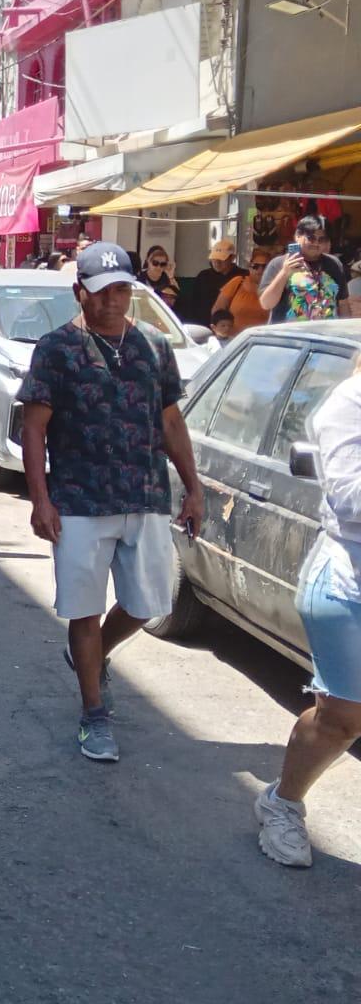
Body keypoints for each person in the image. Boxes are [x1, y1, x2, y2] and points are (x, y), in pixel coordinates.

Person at [17, 241, 203, 763]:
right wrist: (40, 499)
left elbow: (170, 421)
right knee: (83, 607)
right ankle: (93, 714)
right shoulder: (57, 349)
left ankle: (94, 655)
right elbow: (34, 428)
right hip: (78, 499)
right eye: (101, 292)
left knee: (148, 604)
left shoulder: (153, 346)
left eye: (121, 290)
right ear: (80, 292)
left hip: (145, 494)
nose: (112, 300)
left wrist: (193, 487)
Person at [255, 361, 361, 868]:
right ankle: (282, 803)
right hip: (348, 585)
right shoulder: (350, 402)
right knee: (343, 720)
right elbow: (350, 497)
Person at [259, 216, 352, 322]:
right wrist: (284, 273)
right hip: (288, 332)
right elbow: (266, 304)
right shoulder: (278, 264)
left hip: (325, 331)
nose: (316, 243)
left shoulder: (334, 264)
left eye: (322, 239)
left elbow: (343, 304)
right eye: (311, 238)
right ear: (297, 236)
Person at [177, 238, 243, 325]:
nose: (217, 262)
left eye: (222, 259)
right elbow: (193, 304)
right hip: (204, 324)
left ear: (232, 258)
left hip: (234, 324)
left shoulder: (243, 276)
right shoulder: (203, 276)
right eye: (214, 258)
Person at [213, 247, 272, 335]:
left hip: (263, 339)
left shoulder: (276, 288)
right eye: (255, 266)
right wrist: (221, 334)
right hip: (235, 339)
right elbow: (217, 311)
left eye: (265, 266)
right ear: (249, 267)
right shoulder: (237, 282)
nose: (260, 270)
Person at [139, 245, 180, 310]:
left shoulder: (167, 279)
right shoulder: (139, 278)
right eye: (155, 263)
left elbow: (176, 299)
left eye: (163, 264)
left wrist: (170, 277)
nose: (159, 267)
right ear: (148, 261)